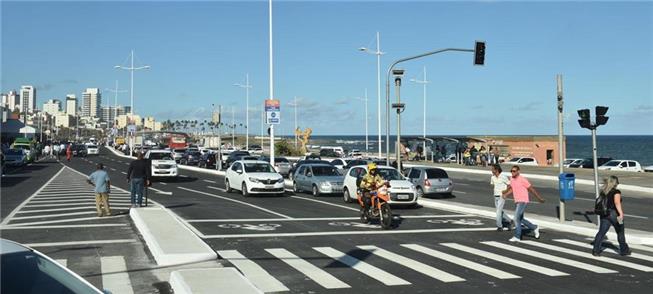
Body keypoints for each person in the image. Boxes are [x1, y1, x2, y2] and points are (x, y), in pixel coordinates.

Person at [502, 165, 545, 242]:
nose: (512, 172)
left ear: (518, 171)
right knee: (520, 219)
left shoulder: (523, 179)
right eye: (511, 171)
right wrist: (506, 194)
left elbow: (531, 189)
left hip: (523, 200)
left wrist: (539, 198)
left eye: (514, 171)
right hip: (517, 201)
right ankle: (534, 227)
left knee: (516, 219)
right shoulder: (512, 178)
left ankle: (517, 236)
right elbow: (512, 188)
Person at [592, 176, 631, 256]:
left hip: (604, 214)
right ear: (615, 183)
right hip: (614, 214)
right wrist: (621, 214)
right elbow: (617, 203)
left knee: (601, 232)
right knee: (620, 231)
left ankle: (595, 250)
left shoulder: (603, 191)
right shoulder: (616, 192)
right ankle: (624, 250)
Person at [490, 165, 512, 231]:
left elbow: (510, 185)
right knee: (499, 211)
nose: (491, 170)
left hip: (502, 196)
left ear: (496, 170)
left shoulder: (503, 177)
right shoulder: (492, 177)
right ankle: (510, 221)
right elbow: (492, 185)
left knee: (498, 211)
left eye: (492, 169)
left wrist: (505, 191)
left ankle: (499, 226)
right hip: (495, 195)